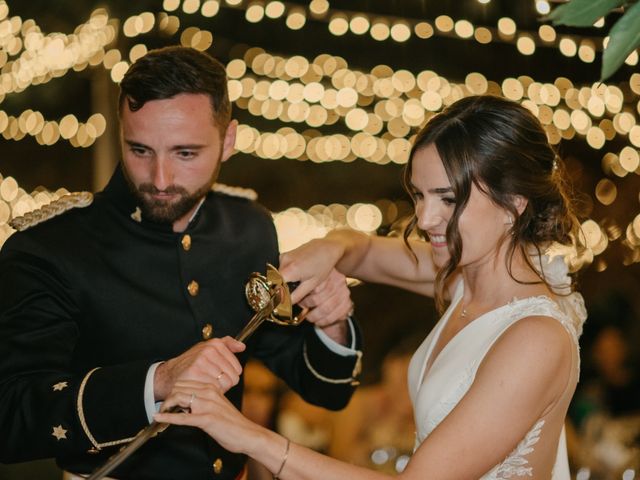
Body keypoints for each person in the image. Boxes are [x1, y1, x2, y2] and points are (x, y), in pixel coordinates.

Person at [155, 95, 588, 479]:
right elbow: (362, 251)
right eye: (419, 196)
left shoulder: (537, 338)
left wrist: (248, 436)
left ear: (514, 203)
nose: (425, 219)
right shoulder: (465, 278)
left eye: (448, 199)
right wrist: (329, 248)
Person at [0, 46, 364, 480]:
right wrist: (158, 381)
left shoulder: (248, 226)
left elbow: (324, 389)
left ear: (228, 140)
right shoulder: (48, 247)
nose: (160, 179)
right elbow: (9, 417)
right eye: (139, 150)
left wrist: (333, 321)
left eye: (185, 153)